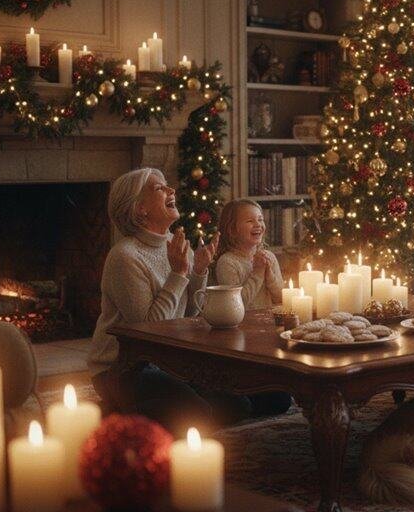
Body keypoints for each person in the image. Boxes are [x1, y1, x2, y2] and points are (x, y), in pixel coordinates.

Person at [89, 168, 291, 434]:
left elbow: (190, 312)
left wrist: (197, 272)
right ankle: (115, 411)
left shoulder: (174, 243)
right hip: (126, 367)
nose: (171, 190)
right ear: (140, 210)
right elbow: (147, 332)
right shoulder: (125, 256)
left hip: (172, 360)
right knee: (199, 415)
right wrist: (180, 273)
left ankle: (151, 404)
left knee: (271, 400)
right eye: (159, 188)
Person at [215, 199, 285, 310]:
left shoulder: (269, 257)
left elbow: (281, 298)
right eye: (250, 221)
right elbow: (236, 305)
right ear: (232, 229)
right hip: (242, 326)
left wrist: (269, 276)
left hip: (268, 323)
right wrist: (257, 274)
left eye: (260, 219)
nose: (258, 224)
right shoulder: (227, 262)